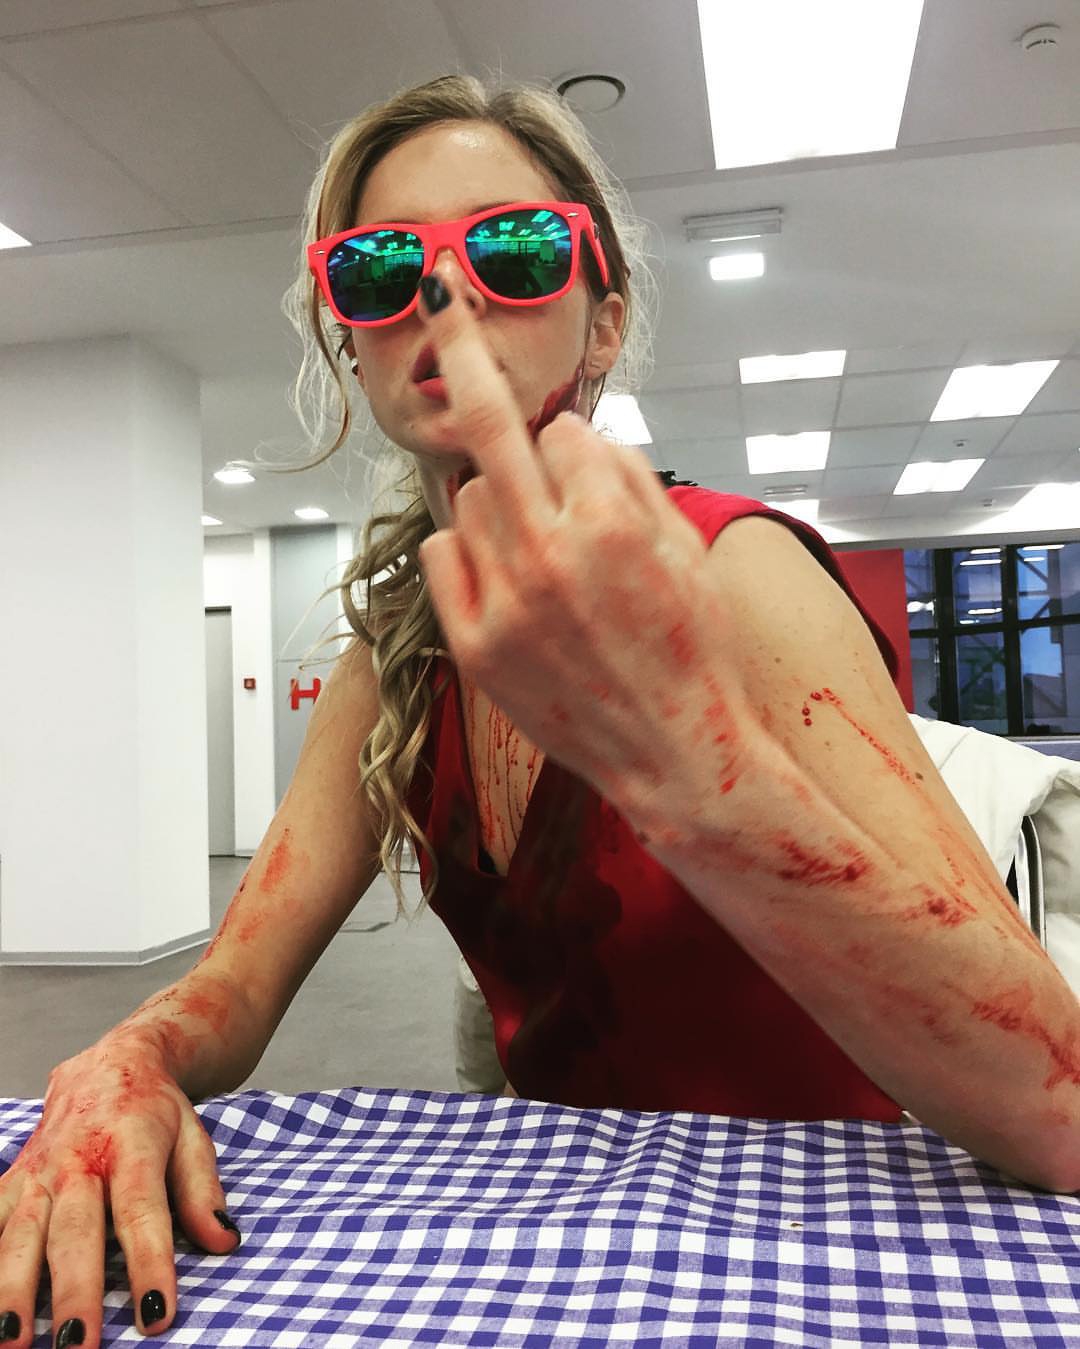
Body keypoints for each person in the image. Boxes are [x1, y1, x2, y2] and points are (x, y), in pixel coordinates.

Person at [2, 72, 1078, 1349]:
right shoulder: (396, 656)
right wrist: (126, 1055)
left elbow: (1055, 1099)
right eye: (381, 268)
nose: (445, 295)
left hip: (820, 1239)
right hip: (560, 1234)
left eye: (514, 251)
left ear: (602, 321)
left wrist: (697, 776)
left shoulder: (735, 574)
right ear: (351, 341)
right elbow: (236, 978)